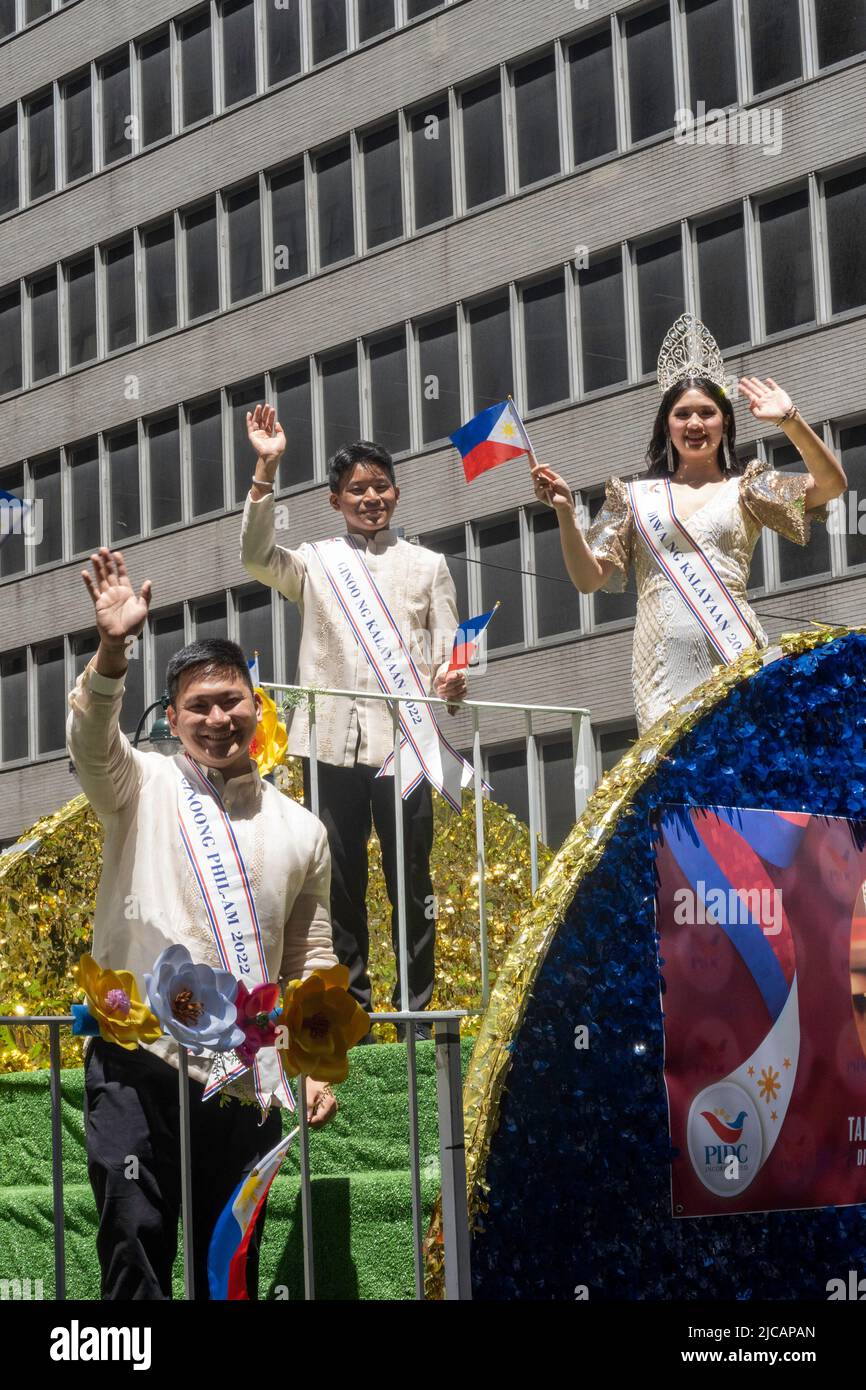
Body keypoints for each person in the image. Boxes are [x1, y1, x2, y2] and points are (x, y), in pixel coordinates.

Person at [67, 547, 339, 1300]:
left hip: (243, 1072)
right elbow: (91, 741)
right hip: (136, 1057)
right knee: (132, 1240)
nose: (218, 718)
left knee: (229, 1267)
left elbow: (309, 959)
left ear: (257, 706)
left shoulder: (302, 828)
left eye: (232, 700)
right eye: (199, 706)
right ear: (174, 717)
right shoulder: (139, 783)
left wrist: (311, 1061)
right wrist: (114, 652)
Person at [240, 408, 467, 1037]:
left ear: (396, 491)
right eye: (358, 490)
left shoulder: (428, 565)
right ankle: (357, 1012)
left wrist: (454, 677)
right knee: (339, 879)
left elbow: (453, 648)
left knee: (411, 877)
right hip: (330, 743)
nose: (371, 498)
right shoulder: (314, 561)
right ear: (336, 499)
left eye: (381, 486)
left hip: (406, 745)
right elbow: (256, 556)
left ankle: (417, 1011)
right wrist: (266, 467)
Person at [530, 314, 847, 734]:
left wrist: (790, 420)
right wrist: (565, 514)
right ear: (667, 425)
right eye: (682, 414)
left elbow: (831, 485)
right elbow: (589, 579)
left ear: (725, 422)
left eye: (707, 413)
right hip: (659, 667)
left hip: (732, 652)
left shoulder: (748, 489)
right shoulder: (634, 499)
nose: (695, 424)